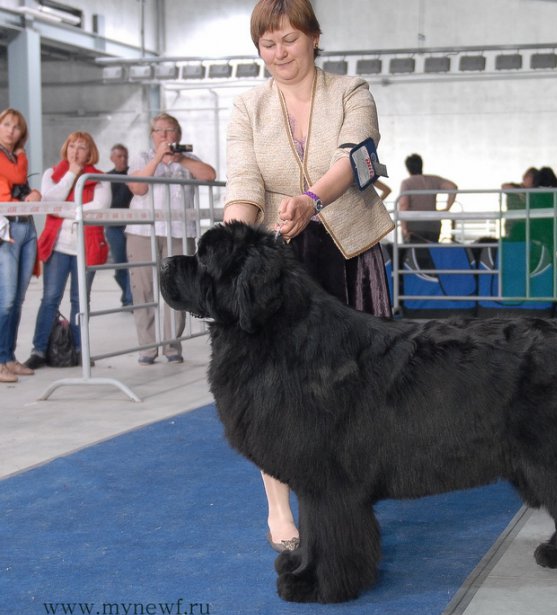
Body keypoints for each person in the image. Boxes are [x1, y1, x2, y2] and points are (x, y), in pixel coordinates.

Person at [224, 0, 394, 552]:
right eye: (267, 44)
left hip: (346, 249)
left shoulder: (352, 91)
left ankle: (349, 497)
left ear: (315, 38)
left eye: (289, 40)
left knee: (356, 385)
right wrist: (232, 248)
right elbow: (244, 184)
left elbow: (358, 157)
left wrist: (310, 198)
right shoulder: (247, 107)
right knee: (272, 388)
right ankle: (280, 510)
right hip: (280, 258)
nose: (279, 53)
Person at [126, 113, 216, 365]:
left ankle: (171, 344)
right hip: (143, 231)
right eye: (159, 131)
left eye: (170, 130)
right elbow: (138, 188)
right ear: (152, 135)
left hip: (179, 231)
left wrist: (180, 159)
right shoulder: (142, 157)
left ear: (179, 134)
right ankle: (147, 347)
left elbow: (209, 175)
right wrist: (158, 158)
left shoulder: (188, 160)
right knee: (143, 288)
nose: (165, 135)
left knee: (176, 287)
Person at [24, 131, 111, 370]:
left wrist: (63, 209)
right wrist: (71, 174)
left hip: (87, 247)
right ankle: (39, 350)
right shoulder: (52, 173)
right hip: (58, 247)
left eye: (82, 147)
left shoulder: (99, 177)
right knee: (50, 298)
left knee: (79, 300)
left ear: (89, 152)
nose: (76, 150)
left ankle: (80, 349)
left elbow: (100, 207)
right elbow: (51, 200)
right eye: (72, 145)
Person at [0, 108, 42, 382]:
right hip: (7, 229)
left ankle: (8, 356)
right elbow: (11, 185)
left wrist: (34, 192)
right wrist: (23, 196)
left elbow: (22, 187)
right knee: (6, 301)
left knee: (18, 300)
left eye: (16, 127)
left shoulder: (19, 158)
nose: (10, 130)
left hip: (27, 226)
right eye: (6, 124)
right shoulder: (10, 160)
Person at [397, 153, 457, 245]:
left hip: (414, 226)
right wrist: (447, 207)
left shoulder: (407, 183)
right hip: (433, 225)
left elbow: (403, 205)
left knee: (414, 255)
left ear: (408, 168)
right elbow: (453, 187)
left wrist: (404, 228)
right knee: (431, 254)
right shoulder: (434, 179)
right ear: (421, 165)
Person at [106, 143, 133, 308]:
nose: (122, 159)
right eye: (119, 156)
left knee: (132, 264)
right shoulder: (106, 178)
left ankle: (130, 300)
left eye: (125, 156)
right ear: (112, 158)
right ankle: (126, 294)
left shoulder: (134, 175)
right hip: (114, 227)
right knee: (120, 265)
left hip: (132, 226)